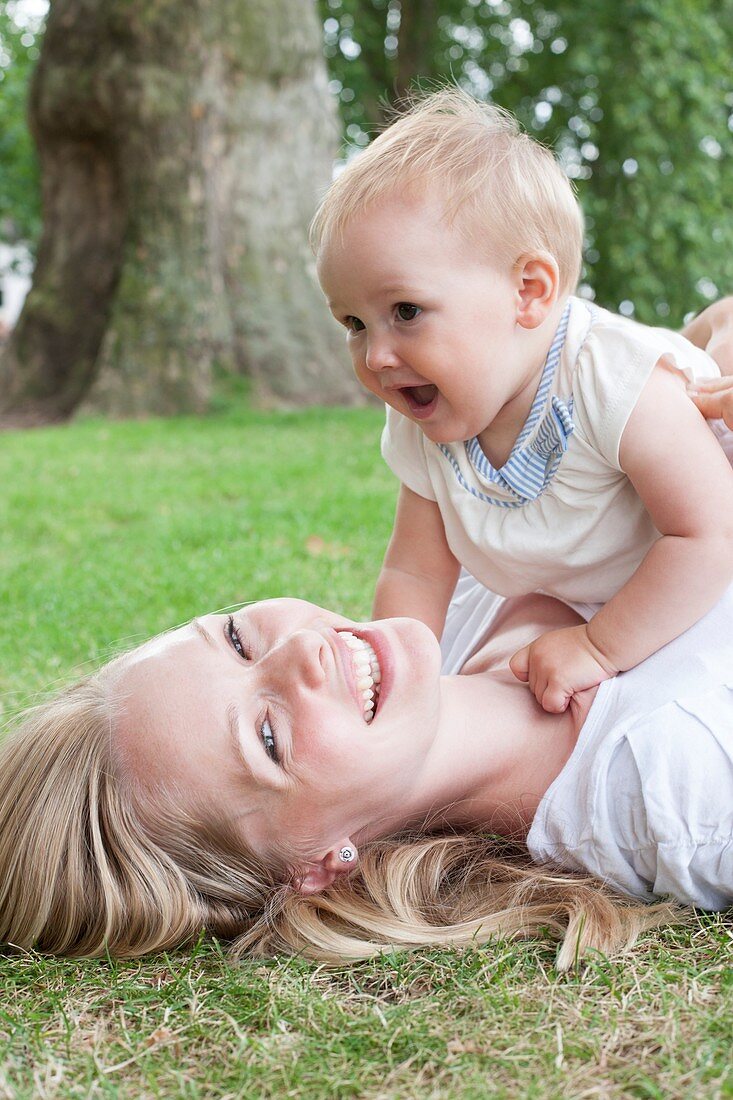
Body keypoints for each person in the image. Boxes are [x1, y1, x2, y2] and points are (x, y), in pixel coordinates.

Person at [1, 337, 732, 964]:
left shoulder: (473, 571)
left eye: (234, 638)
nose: (300, 653)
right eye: (267, 737)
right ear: (317, 864)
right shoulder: (679, 789)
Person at [312, 88, 733, 714]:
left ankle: (716, 330)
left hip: (692, 567)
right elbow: (417, 575)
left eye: (405, 311)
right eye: (355, 323)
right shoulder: (426, 416)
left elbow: (708, 535)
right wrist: (390, 675)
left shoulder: (614, 381)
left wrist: (598, 646)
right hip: (574, 569)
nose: (376, 356)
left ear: (528, 293)